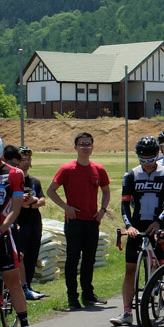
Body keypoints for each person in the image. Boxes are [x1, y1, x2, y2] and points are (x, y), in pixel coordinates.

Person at [0, 135, 42, 327]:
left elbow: (15, 208)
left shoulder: (14, 174)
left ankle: (25, 325)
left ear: (2, 156)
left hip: (3, 231)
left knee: (12, 279)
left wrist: (2, 229)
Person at [112, 136, 164, 327]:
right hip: (137, 226)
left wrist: (159, 222)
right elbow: (124, 205)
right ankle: (126, 311)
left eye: (150, 160)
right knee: (130, 271)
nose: (147, 164)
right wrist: (128, 226)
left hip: (158, 226)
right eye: (143, 160)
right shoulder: (130, 176)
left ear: (156, 156)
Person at [46, 132, 111, 310]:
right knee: (72, 259)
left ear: (93, 146)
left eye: (88, 144)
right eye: (81, 144)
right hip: (73, 221)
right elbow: (50, 191)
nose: (85, 147)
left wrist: (102, 211)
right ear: (75, 147)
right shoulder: (67, 169)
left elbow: (106, 192)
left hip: (92, 221)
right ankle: (72, 297)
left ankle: (88, 295)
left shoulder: (99, 169)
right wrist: (65, 207)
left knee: (89, 259)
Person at [4, 146, 46, 300]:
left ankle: (27, 285)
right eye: (23, 159)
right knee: (18, 256)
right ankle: (16, 288)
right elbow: (17, 201)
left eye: (29, 159)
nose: (26, 161)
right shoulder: (14, 178)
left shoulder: (35, 181)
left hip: (34, 221)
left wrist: (31, 204)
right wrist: (27, 203)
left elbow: (42, 200)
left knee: (32, 255)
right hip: (19, 221)